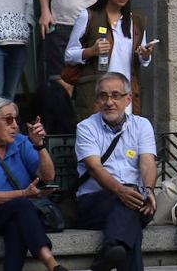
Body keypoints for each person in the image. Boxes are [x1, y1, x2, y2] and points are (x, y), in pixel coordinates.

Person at [0, 97, 68, 271]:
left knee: (15, 224)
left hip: (16, 213)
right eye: (8, 119)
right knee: (20, 206)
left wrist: (39, 145)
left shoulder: (21, 142)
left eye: (16, 119)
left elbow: (48, 176)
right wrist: (24, 194)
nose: (15, 125)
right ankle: (51, 263)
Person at [75, 72, 156, 271]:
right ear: (97, 100)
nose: (109, 102)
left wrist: (150, 191)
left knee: (131, 207)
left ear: (128, 99)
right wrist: (121, 191)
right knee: (131, 216)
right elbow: (95, 168)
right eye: (103, 96)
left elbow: (148, 163)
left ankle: (110, 251)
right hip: (94, 203)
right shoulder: (86, 127)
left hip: (136, 201)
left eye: (115, 95)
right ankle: (111, 250)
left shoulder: (142, 125)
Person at [64, 0, 153, 121]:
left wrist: (145, 55)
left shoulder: (136, 21)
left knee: (126, 141)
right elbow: (69, 55)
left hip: (126, 96)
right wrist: (91, 51)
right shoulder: (89, 16)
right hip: (96, 96)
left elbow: (143, 61)